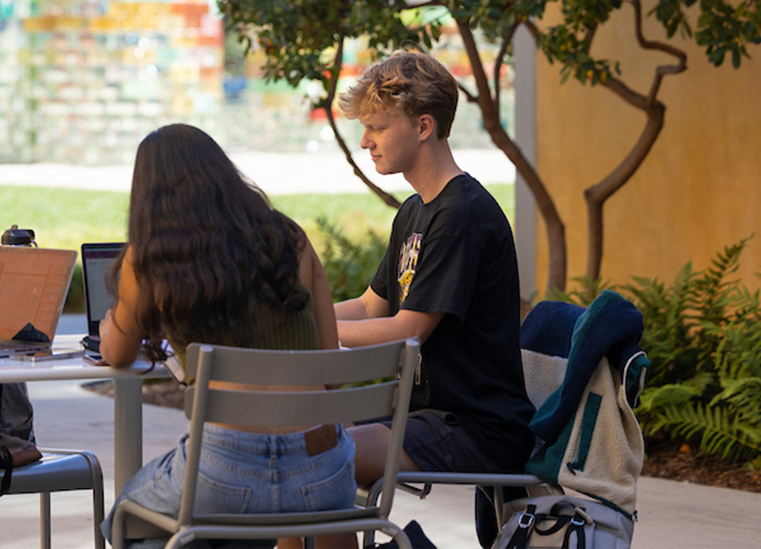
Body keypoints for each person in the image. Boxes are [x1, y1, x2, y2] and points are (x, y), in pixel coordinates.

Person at [99, 123, 356, 545]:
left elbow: (117, 354)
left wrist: (114, 322)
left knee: (123, 521)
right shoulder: (291, 240)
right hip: (323, 475)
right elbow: (332, 376)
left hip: (223, 474)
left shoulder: (150, 261)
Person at [334, 50, 534, 490]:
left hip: (475, 429)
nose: (365, 141)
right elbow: (371, 308)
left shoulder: (460, 215)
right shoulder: (414, 212)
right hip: (422, 415)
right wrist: (297, 319)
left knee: (319, 462)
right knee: (297, 434)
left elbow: (406, 329)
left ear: (424, 126)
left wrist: (313, 333)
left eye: (377, 127)